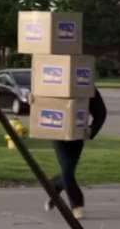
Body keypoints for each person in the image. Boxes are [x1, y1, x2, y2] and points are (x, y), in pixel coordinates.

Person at [43, 88, 107, 220]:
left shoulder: (86, 86)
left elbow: (101, 113)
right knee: (67, 171)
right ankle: (77, 205)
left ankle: (54, 187)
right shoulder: (55, 84)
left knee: (68, 171)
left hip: (78, 136)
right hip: (59, 135)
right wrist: (31, 99)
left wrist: (92, 129)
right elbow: (39, 104)